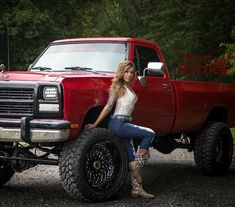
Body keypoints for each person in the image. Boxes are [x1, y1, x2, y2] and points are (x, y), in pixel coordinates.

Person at [86, 60, 155, 199]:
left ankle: (137, 190)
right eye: (126, 72)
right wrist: (95, 123)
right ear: (121, 73)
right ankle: (137, 171)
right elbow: (108, 107)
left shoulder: (129, 88)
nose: (129, 75)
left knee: (132, 158)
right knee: (150, 134)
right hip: (118, 124)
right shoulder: (117, 87)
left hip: (125, 123)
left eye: (131, 72)